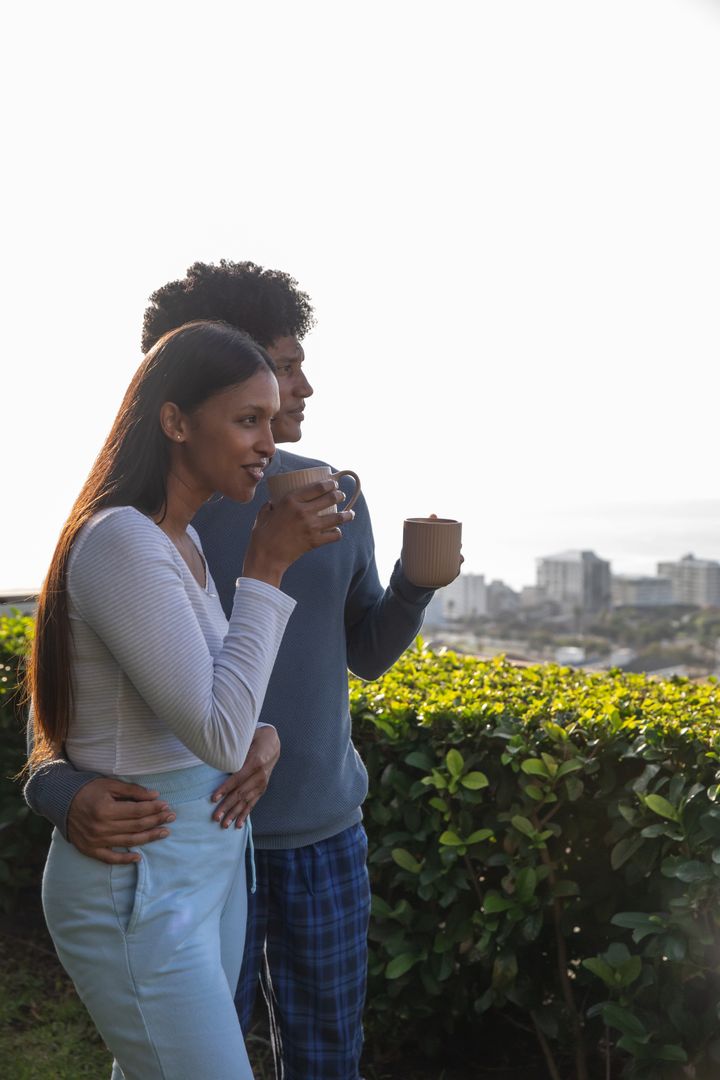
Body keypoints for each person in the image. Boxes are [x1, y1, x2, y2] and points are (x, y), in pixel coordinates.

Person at [25, 261, 441, 1080]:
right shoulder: (142, 523)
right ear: (186, 400)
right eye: (278, 372)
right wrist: (56, 784)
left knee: (319, 1063)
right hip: (176, 848)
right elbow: (63, 678)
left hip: (306, 834)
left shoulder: (313, 501)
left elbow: (361, 656)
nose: (299, 391)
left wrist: (414, 590)